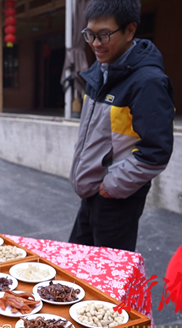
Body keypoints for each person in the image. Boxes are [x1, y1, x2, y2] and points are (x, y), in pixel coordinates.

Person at [68, 0, 175, 251]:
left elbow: (156, 152)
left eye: (104, 34)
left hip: (116, 198)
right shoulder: (99, 71)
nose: (95, 43)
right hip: (92, 191)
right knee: (75, 266)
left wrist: (111, 187)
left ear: (130, 30)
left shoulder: (147, 82)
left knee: (108, 277)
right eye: (90, 34)